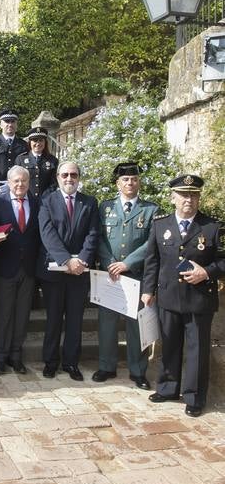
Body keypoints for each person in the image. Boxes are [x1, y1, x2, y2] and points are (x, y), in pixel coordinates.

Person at [142, 174, 225, 417]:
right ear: (173, 198)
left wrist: (206, 272)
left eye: (193, 195)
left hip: (199, 299)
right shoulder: (160, 224)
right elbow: (152, 261)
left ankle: (194, 397)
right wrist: (148, 290)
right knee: (169, 345)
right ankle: (167, 388)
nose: (188, 199)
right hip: (169, 296)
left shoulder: (213, 227)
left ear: (199, 198)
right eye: (183, 195)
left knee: (197, 350)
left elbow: (223, 261)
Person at [93, 163, 158, 390]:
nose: (130, 183)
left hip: (136, 276)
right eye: (125, 180)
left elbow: (152, 243)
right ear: (117, 184)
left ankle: (138, 371)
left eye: (134, 179)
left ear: (139, 182)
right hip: (110, 275)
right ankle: (106, 366)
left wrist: (127, 263)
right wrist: (110, 262)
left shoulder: (150, 210)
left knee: (135, 326)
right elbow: (98, 238)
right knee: (107, 324)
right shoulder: (105, 207)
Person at [37, 160, 99, 381]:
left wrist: (81, 260)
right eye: (65, 175)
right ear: (57, 178)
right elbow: (47, 234)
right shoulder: (46, 201)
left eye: (73, 174)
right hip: (53, 272)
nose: (69, 178)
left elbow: (93, 234)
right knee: (53, 319)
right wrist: (66, 260)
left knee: (75, 320)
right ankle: (50, 362)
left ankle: (71, 363)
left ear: (79, 177)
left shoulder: (89, 202)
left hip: (79, 272)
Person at [0, 166, 41, 375]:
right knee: (4, 314)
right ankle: (0, 357)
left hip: (28, 268)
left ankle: (16, 356)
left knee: (22, 314)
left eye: (24, 181)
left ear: (29, 182)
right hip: (5, 266)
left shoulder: (38, 203)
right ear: (9, 182)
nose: (20, 184)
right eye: (16, 181)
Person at [0, 110, 28, 184]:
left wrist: (14, 181)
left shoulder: (23, 144)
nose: (10, 125)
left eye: (13, 122)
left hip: (17, 184)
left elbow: (25, 166)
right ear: (1, 125)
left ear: (16, 125)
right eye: (7, 121)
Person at [14, 126, 58, 197]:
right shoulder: (20, 159)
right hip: (26, 198)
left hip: (46, 199)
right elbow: (16, 180)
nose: (38, 144)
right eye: (35, 140)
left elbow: (54, 183)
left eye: (41, 140)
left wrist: (45, 197)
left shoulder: (53, 160)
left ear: (45, 142)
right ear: (30, 142)